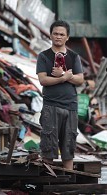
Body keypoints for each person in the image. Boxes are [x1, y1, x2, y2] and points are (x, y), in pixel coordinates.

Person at [36, 20, 84, 170]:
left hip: (70, 106)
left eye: (62, 34)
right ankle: (48, 185)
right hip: (51, 106)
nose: (58, 37)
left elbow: (80, 79)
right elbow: (43, 80)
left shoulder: (74, 57)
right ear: (50, 35)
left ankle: (68, 185)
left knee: (68, 148)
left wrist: (63, 74)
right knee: (48, 147)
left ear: (67, 37)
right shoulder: (43, 56)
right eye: (55, 33)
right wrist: (64, 78)